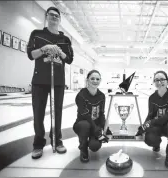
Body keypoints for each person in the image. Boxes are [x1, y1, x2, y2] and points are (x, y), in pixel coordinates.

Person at [27, 7, 74, 159]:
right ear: (46, 17)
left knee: (57, 113)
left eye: (56, 16)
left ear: (60, 19)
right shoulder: (37, 34)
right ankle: (38, 144)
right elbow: (31, 55)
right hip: (40, 81)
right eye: (51, 15)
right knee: (38, 114)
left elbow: (70, 59)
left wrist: (60, 52)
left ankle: (57, 141)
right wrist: (44, 49)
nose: (54, 18)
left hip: (58, 82)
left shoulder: (65, 40)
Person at [135, 71, 168, 168]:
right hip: (157, 127)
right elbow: (150, 115)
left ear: (167, 81)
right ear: (154, 82)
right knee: (149, 139)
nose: (159, 82)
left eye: (162, 79)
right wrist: (144, 126)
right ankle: (156, 144)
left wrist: (151, 123)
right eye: (156, 80)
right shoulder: (152, 98)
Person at [73, 70, 109, 163]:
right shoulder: (81, 95)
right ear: (87, 80)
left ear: (100, 80)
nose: (95, 81)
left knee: (94, 146)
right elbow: (86, 116)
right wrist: (97, 131)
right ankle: (83, 148)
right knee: (85, 125)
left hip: (95, 126)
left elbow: (101, 114)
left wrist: (105, 129)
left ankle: (90, 140)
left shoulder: (101, 96)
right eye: (92, 78)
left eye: (97, 79)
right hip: (82, 124)